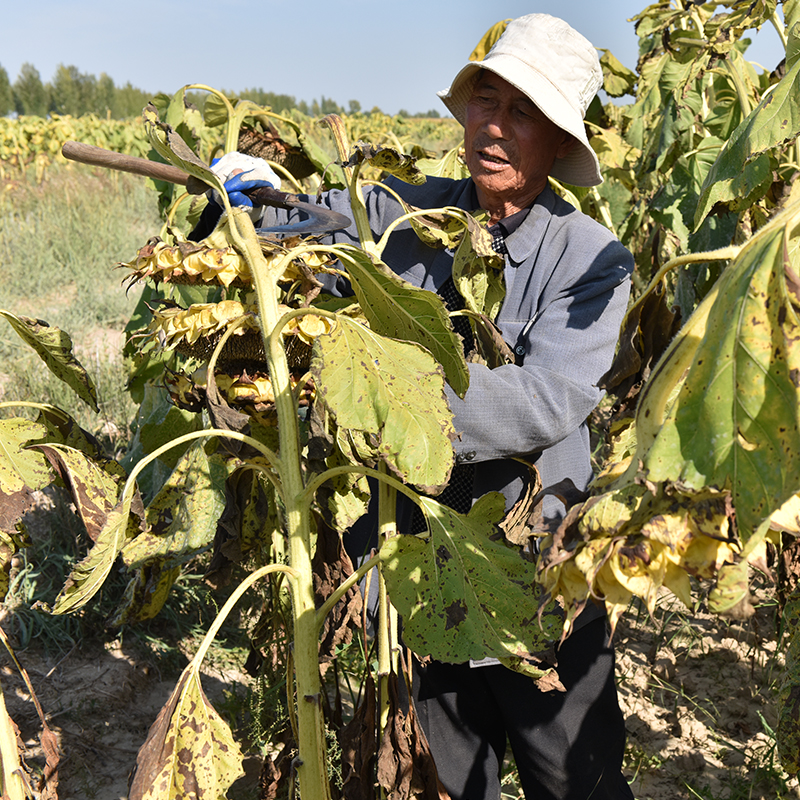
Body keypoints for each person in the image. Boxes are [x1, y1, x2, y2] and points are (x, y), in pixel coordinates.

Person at [204, 13, 635, 800]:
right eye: (484, 102)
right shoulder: (404, 219)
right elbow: (318, 220)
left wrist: (380, 399)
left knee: (579, 784)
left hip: (537, 578)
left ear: (557, 141)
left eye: (522, 112)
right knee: (442, 784)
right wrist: (252, 196)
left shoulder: (592, 260)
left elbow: (544, 401)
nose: (493, 128)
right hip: (416, 580)